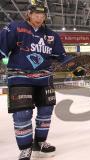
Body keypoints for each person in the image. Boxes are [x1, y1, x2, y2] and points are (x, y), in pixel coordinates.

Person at [0, 1, 72, 159]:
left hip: (44, 78)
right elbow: (2, 48)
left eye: (42, 14)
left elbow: (62, 56)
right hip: (20, 77)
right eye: (36, 14)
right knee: (22, 113)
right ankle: (25, 148)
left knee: (46, 111)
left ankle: (40, 142)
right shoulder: (15, 27)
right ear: (29, 14)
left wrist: (75, 67)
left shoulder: (52, 35)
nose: (39, 17)